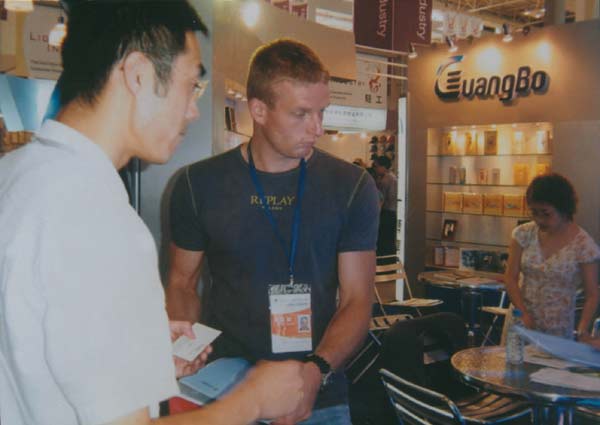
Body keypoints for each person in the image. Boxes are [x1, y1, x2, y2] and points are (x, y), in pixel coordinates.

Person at [0, 2, 304, 425]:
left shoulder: (15, 174)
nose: (193, 109)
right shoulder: (101, 221)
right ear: (139, 74)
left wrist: (137, 350)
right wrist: (253, 399)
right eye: (191, 84)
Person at [166, 38, 379, 424]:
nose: (317, 128)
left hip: (316, 383)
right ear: (259, 110)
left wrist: (316, 371)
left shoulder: (351, 186)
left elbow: (357, 299)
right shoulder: (198, 185)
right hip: (224, 379)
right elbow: (182, 282)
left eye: (321, 111)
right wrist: (186, 345)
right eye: (301, 114)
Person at [504, 173, 600, 340]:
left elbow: (592, 294)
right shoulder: (523, 234)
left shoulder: (584, 245)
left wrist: (582, 330)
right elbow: (510, 278)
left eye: (546, 213)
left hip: (557, 328)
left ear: (563, 209)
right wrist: (523, 313)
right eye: (534, 212)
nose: (539, 219)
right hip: (521, 321)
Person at [373, 155, 398, 257]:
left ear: (383, 166)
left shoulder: (387, 179)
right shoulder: (389, 177)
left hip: (387, 212)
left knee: (385, 240)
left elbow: (382, 199)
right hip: (390, 212)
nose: (376, 169)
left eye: (377, 166)